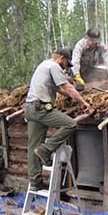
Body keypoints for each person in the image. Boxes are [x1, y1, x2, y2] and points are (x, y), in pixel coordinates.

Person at [25, 47, 93, 190]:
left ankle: (35, 183)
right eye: (66, 63)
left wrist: (76, 96)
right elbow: (67, 87)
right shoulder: (54, 66)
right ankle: (46, 150)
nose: (66, 68)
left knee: (33, 147)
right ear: (61, 58)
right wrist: (83, 103)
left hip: (31, 108)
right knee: (70, 124)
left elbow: (61, 90)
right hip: (41, 108)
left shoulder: (44, 65)